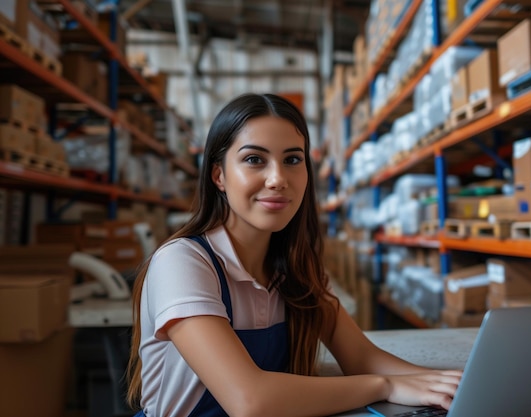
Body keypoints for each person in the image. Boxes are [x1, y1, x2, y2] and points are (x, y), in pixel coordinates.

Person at [126, 93, 462, 417]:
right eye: (254, 159)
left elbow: (361, 357)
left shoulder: (293, 270)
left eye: (292, 160)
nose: (278, 179)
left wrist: (443, 385)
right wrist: (385, 386)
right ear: (219, 175)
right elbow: (249, 401)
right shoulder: (183, 262)